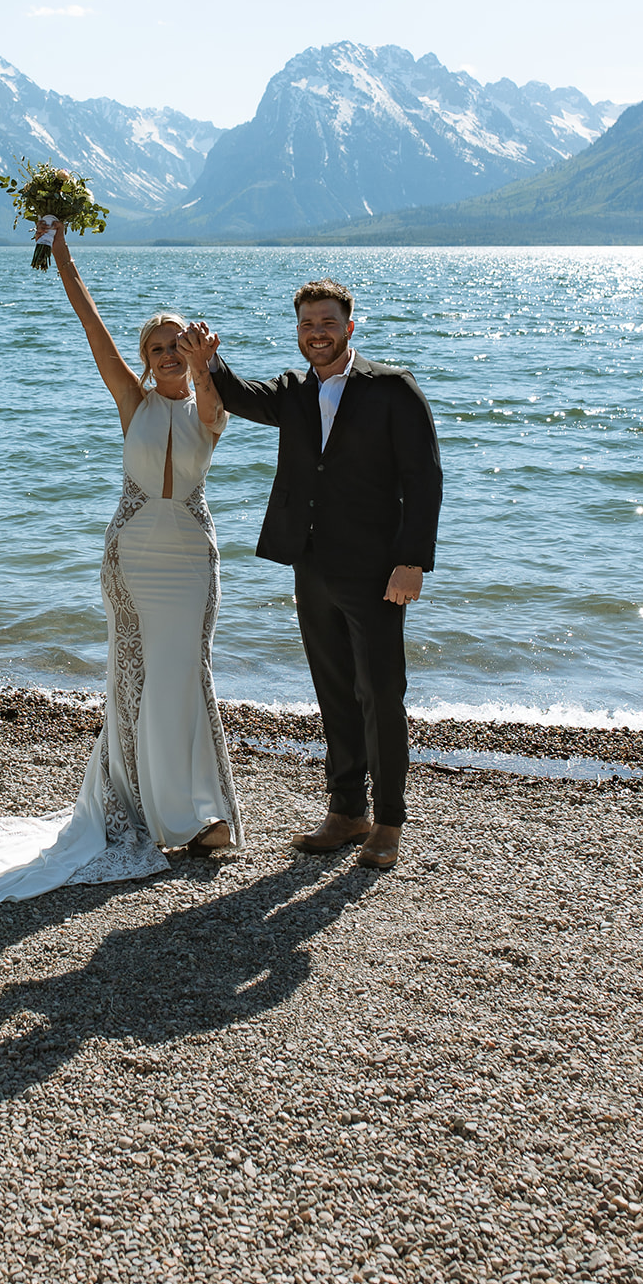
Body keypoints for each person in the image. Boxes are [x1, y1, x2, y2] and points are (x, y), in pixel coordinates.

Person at [0, 222, 242, 900]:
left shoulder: (209, 408)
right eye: (156, 348)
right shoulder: (130, 401)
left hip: (192, 559)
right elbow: (89, 317)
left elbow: (214, 394)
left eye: (178, 346)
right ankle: (135, 810)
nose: (168, 354)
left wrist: (206, 363)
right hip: (133, 558)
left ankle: (201, 815)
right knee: (135, 680)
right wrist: (61, 252)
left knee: (186, 677)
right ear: (143, 359)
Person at [180, 279, 442, 872]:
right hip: (312, 564)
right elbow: (239, 397)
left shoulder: (393, 389)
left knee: (380, 693)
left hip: (377, 569)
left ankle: (390, 822)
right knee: (333, 691)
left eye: (326, 323)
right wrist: (207, 361)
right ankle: (347, 810)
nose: (316, 333)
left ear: (350, 326)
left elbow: (425, 479)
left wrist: (412, 561)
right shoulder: (293, 391)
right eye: (306, 325)